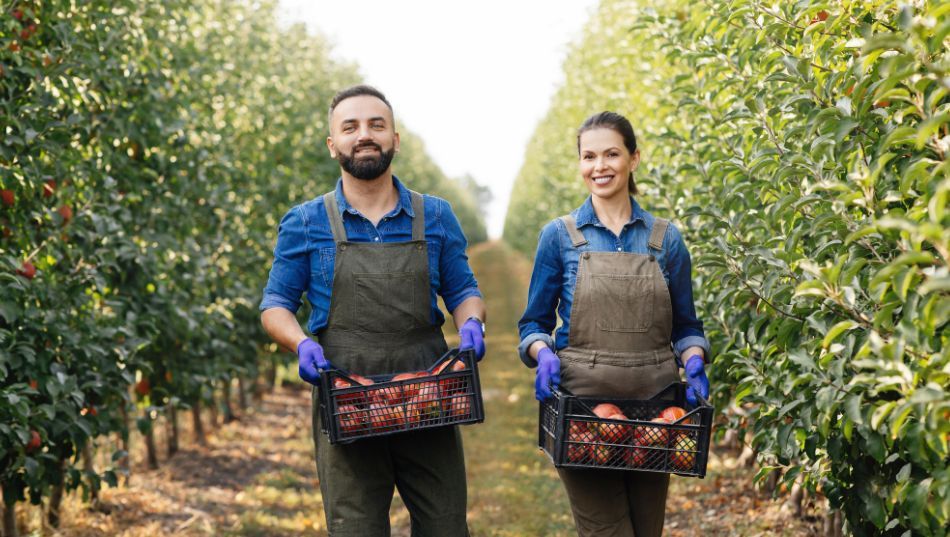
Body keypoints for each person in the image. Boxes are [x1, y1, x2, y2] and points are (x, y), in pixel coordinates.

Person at [260, 84, 486, 537]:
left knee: (444, 525)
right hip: (346, 390)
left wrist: (473, 323)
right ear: (333, 145)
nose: (364, 135)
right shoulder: (306, 221)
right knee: (355, 527)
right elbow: (275, 306)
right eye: (351, 127)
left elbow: (463, 289)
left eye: (376, 125)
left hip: (428, 392)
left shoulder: (435, 215)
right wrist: (301, 342)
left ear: (394, 139)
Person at [517, 111, 710, 537]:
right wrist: (542, 352)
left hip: (656, 413)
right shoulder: (560, 236)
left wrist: (694, 358)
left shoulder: (665, 239)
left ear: (633, 159)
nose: (599, 166)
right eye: (589, 156)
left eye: (611, 154)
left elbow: (686, 326)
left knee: (646, 530)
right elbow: (532, 323)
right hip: (583, 410)